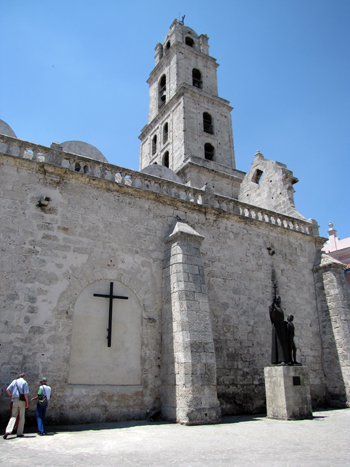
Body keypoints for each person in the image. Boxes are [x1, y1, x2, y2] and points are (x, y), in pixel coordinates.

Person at [3, 372, 29, 439]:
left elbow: (7, 389)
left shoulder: (14, 381)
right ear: (24, 376)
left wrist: (11, 396)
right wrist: (27, 402)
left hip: (15, 400)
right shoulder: (24, 382)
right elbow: (25, 393)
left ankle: (8, 431)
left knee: (13, 416)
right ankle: (19, 433)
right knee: (21, 416)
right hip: (22, 400)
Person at [269, 295, 289, 364]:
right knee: (278, 344)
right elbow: (271, 313)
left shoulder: (279, 308)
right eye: (278, 299)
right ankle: (279, 360)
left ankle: (285, 359)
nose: (279, 300)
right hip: (277, 327)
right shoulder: (273, 307)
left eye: (279, 299)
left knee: (284, 343)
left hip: (282, 326)